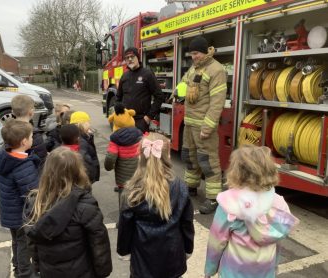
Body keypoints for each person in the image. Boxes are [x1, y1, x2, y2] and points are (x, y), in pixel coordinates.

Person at [204, 145, 299, 278]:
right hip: (265, 271)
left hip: (233, 272)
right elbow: (277, 239)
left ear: (236, 172)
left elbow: (216, 242)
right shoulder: (278, 202)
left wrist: (209, 270)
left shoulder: (230, 203)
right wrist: (274, 266)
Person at [24, 147, 112, 278]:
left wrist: (37, 267)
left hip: (49, 271)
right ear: (78, 171)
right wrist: (102, 271)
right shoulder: (85, 205)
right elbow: (99, 243)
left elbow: (32, 241)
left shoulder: (34, 203)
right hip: (82, 271)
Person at [117, 133, 194, 278]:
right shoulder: (180, 187)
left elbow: (125, 225)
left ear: (140, 156)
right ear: (168, 156)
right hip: (172, 256)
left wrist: (124, 250)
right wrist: (188, 248)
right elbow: (187, 223)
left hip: (142, 259)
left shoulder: (132, 189)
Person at [177, 36, 227, 214]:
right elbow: (184, 83)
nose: (193, 57)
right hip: (190, 124)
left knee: (208, 161)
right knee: (189, 157)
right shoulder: (194, 68)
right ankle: (191, 186)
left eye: (196, 53)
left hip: (203, 126)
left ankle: (214, 198)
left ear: (205, 52)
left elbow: (217, 102)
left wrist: (208, 126)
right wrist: (179, 90)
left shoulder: (216, 70)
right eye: (191, 54)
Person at [0, 120, 40, 278]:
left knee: (16, 241)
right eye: (31, 136)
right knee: (24, 244)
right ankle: (24, 273)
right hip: (21, 216)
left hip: (10, 212)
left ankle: (17, 266)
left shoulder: (5, 158)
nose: (33, 139)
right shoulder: (23, 166)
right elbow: (32, 193)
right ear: (24, 141)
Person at [116, 47, 165, 133]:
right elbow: (118, 98)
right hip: (125, 120)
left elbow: (159, 97)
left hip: (141, 121)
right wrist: (119, 114)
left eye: (132, 56)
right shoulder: (124, 76)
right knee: (126, 146)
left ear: (138, 58)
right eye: (127, 58)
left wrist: (149, 117)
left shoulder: (147, 74)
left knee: (139, 146)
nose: (130, 59)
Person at [104, 106, 142, 205]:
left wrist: (108, 167)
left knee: (124, 202)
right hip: (138, 176)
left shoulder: (115, 139)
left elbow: (110, 158)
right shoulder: (139, 135)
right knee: (138, 199)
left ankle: (124, 218)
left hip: (123, 180)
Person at [11, 95, 47, 167]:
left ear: (12, 112)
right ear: (31, 112)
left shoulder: (8, 131)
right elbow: (41, 161)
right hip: (31, 174)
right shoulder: (34, 135)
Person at [70, 111, 100, 184]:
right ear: (82, 124)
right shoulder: (81, 141)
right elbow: (84, 160)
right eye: (88, 122)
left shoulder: (81, 136)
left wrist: (89, 136)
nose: (89, 124)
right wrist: (91, 175)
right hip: (85, 178)